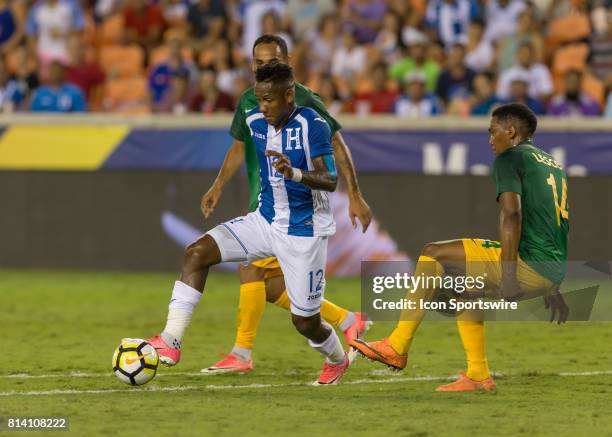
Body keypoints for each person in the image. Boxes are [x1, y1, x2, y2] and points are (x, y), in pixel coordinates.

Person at [149, 62, 354, 385]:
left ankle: (337, 358)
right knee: (196, 252)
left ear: (289, 95)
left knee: (305, 322)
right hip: (264, 220)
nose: (263, 107)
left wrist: (294, 173)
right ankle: (171, 340)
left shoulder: (312, 124)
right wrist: (217, 185)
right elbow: (237, 147)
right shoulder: (254, 118)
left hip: (304, 232)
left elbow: (329, 179)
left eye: (270, 100)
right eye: (259, 99)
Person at [351, 103, 569, 392]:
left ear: (511, 131)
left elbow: (511, 214)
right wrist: (552, 283)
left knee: (433, 253)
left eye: (493, 132)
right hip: (552, 268)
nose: (490, 140)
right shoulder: (550, 163)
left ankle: (397, 344)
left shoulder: (509, 159)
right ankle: (478, 375)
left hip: (528, 264)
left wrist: (509, 275)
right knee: (464, 285)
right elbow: (553, 223)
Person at [188, 35, 372, 375]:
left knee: (252, 270)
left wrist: (355, 194)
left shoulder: (303, 101)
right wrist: (217, 185)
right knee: (271, 288)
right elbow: (240, 147)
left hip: (298, 211)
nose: (261, 67)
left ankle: (242, 352)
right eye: (256, 62)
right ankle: (348, 320)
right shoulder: (250, 100)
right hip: (265, 202)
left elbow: (334, 142)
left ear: (286, 61)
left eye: (268, 61)